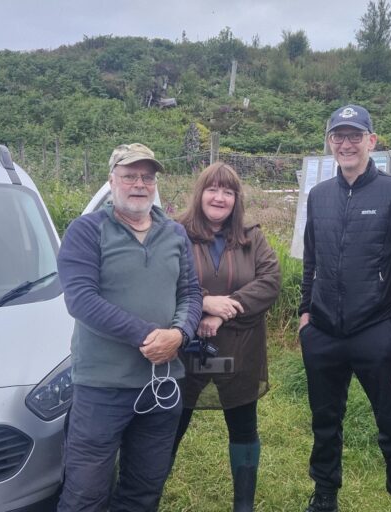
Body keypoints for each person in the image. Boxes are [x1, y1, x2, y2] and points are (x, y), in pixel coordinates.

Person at [56, 143, 203, 511]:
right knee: (85, 493)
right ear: (111, 180)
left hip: (162, 385)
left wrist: (180, 334)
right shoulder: (87, 230)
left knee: (144, 488)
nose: (139, 184)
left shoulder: (174, 233)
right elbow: (81, 300)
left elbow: (191, 292)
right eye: (129, 176)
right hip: (102, 388)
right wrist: (146, 335)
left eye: (147, 177)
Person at [298, 104, 391, 512]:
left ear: (372, 141)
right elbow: (310, 260)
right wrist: (305, 313)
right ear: (330, 142)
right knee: (325, 422)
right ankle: (325, 496)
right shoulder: (319, 196)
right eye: (339, 136)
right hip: (324, 332)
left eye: (356, 136)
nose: (347, 143)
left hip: (376, 331)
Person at [169, 162, 281, 512]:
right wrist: (202, 304)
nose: (219, 197)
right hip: (186, 347)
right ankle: (145, 493)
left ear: (236, 198)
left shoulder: (251, 235)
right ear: (200, 193)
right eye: (213, 189)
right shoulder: (176, 233)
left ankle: (243, 504)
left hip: (240, 345)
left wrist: (224, 308)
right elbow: (164, 279)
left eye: (228, 191)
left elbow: (270, 281)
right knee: (171, 424)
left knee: (244, 425)